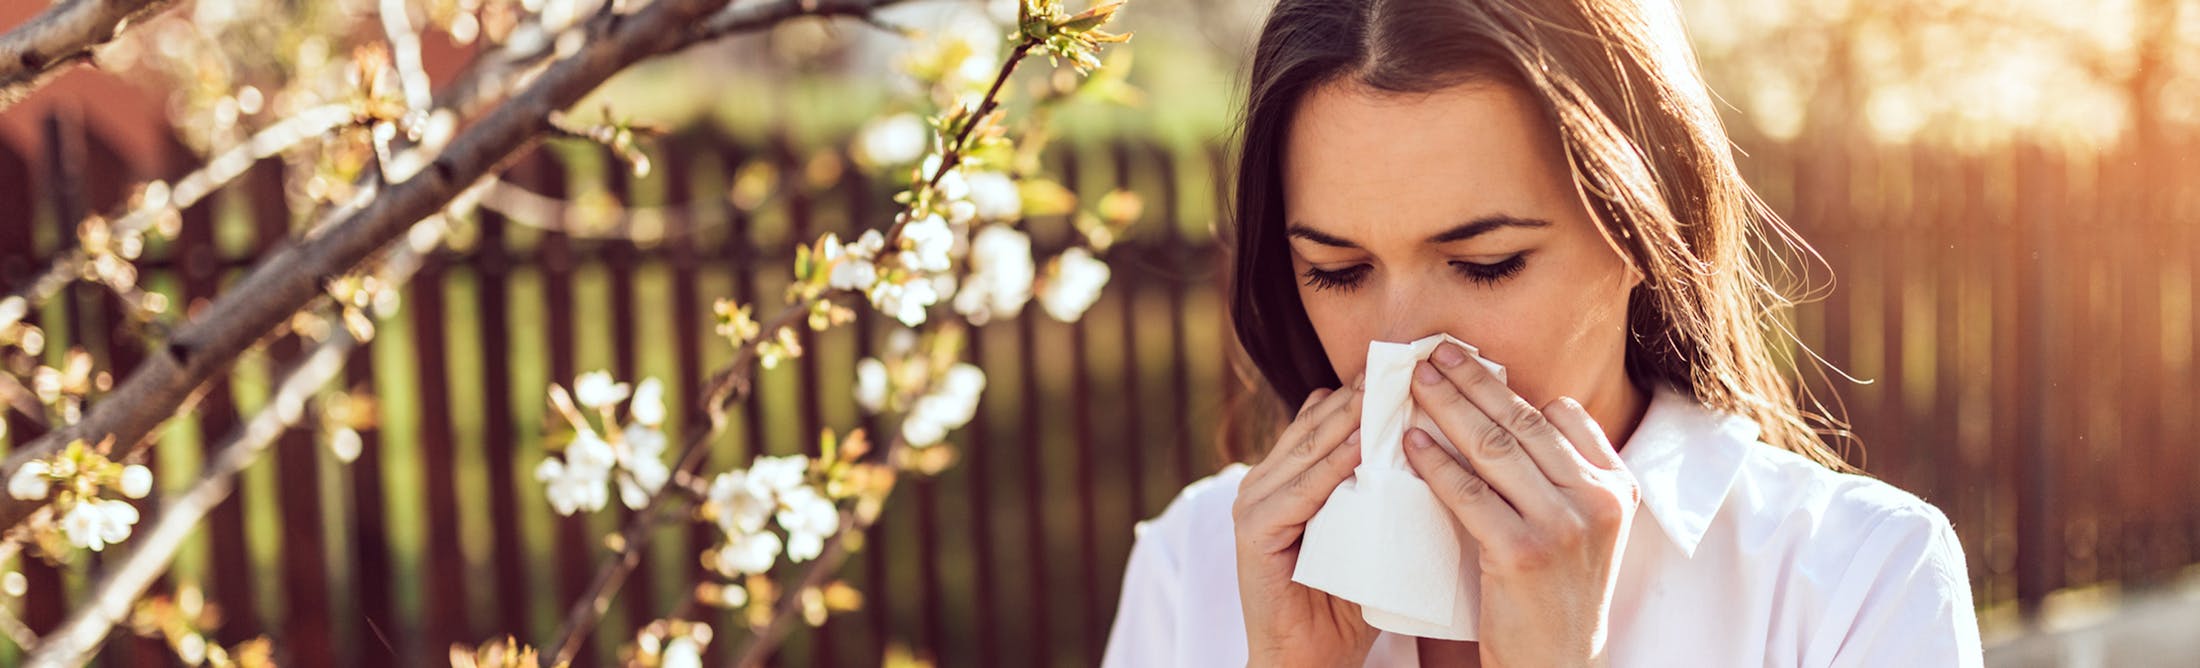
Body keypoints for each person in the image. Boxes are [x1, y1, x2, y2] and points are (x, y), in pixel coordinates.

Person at [1100, 0, 1986, 665]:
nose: (1402, 348)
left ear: (1646, 230)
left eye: (1486, 263)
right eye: (1338, 271)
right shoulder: (1201, 562)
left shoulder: (1857, 579)